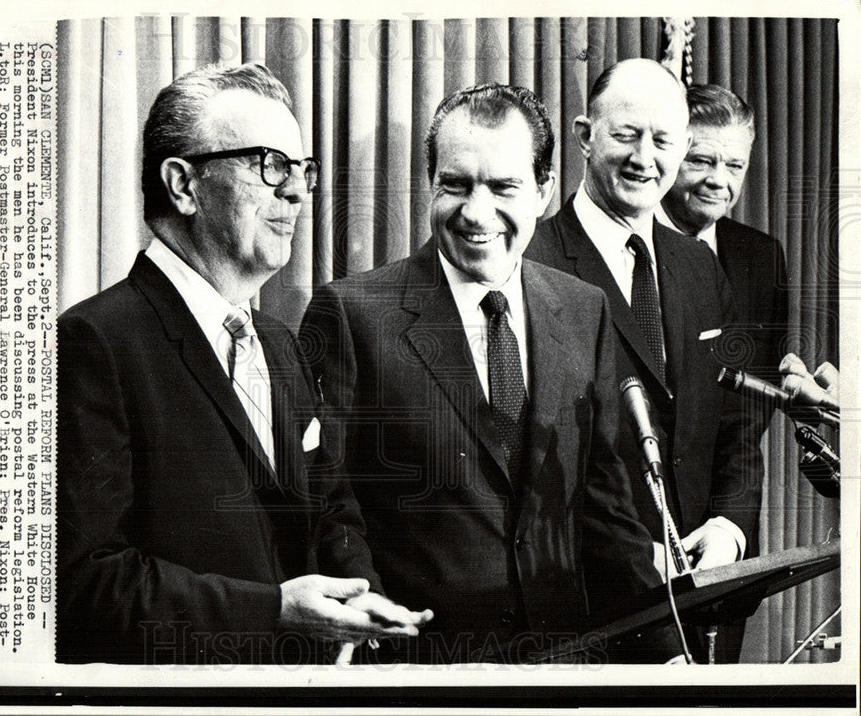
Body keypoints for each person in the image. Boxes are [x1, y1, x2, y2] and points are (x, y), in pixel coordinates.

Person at [56, 63, 430, 665]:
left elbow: (332, 510)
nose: (297, 192)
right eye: (270, 165)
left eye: (302, 171)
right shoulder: (95, 342)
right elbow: (85, 585)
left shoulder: (281, 345)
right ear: (184, 185)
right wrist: (274, 611)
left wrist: (360, 600)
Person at [300, 83, 680, 664]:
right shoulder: (352, 315)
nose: (476, 213)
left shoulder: (584, 309)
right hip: (418, 672)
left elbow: (607, 510)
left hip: (562, 671)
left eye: (503, 187)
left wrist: (666, 654)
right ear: (431, 183)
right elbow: (327, 500)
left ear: (544, 191)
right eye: (455, 185)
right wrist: (366, 610)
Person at [525, 60, 763, 662]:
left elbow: (735, 421)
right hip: (586, 611)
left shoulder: (699, 266)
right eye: (626, 135)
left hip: (703, 599)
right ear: (584, 135)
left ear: (682, 147)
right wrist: (633, 554)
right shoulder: (531, 259)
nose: (644, 158)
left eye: (662, 141)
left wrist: (730, 527)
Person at [657, 84, 789, 387]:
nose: (719, 180)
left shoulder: (763, 255)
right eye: (701, 161)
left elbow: (763, 383)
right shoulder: (626, 245)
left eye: (734, 166)